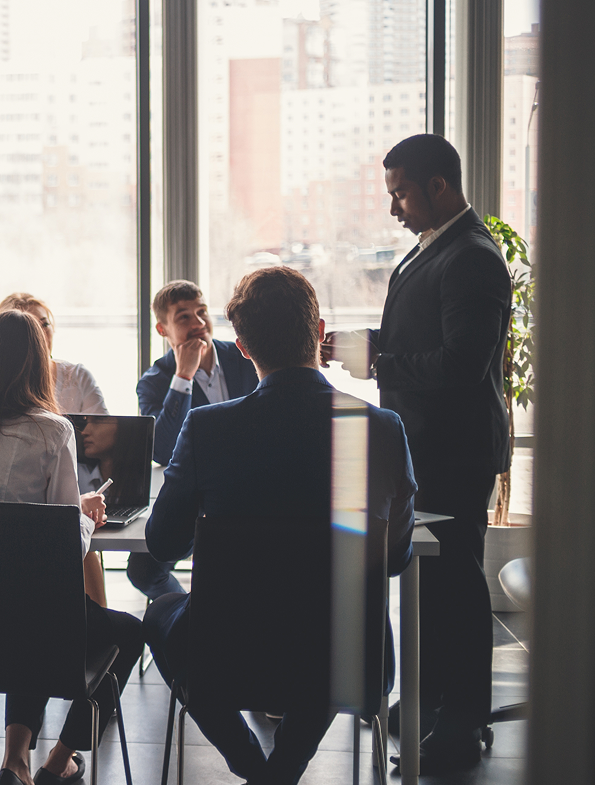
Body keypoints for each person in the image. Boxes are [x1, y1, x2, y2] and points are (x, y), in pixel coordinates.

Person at [143, 266, 417, 785]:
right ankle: (285, 769)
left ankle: (254, 767)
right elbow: (397, 558)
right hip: (348, 655)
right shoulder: (378, 429)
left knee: (161, 619)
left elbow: (161, 543)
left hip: (230, 649)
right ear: (318, 332)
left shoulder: (209, 430)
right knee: (329, 627)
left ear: (242, 347)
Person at [322, 133, 510, 772]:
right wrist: (359, 346)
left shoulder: (473, 258)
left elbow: (462, 364)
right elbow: (417, 337)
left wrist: (382, 359)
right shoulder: (432, 250)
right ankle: (433, 708)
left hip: (454, 454)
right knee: (432, 585)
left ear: (439, 186)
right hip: (425, 448)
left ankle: (460, 726)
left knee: (456, 587)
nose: (393, 208)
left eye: (400, 192)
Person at [0, 310, 143, 785]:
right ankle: (59, 757)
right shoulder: (52, 430)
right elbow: (62, 546)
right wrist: (84, 515)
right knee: (120, 632)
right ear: (38, 364)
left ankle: (14, 760)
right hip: (32, 622)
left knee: (29, 609)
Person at [131, 281, 259, 601]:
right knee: (144, 569)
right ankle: (192, 612)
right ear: (163, 329)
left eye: (202, 312)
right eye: (184, 317)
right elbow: (161, 451)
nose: (199, 324)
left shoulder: (246, 357)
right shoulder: (154, 382)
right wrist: (183, 379)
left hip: (252, 487)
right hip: (195, 492)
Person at [0, 293, 112, 607]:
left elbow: (102, 435)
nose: (38, 334)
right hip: (37, 501)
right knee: (76, 535)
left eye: (44, 324)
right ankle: (90, 629)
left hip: (78, 482)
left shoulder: (75, 376)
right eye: (27, 328)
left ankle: (92, 620)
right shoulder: (50, 425)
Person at [0, 293, 109, 415]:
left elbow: (103, 430)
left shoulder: (78, 377)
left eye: (45, 324)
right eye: (31, 328)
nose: (41, 334)